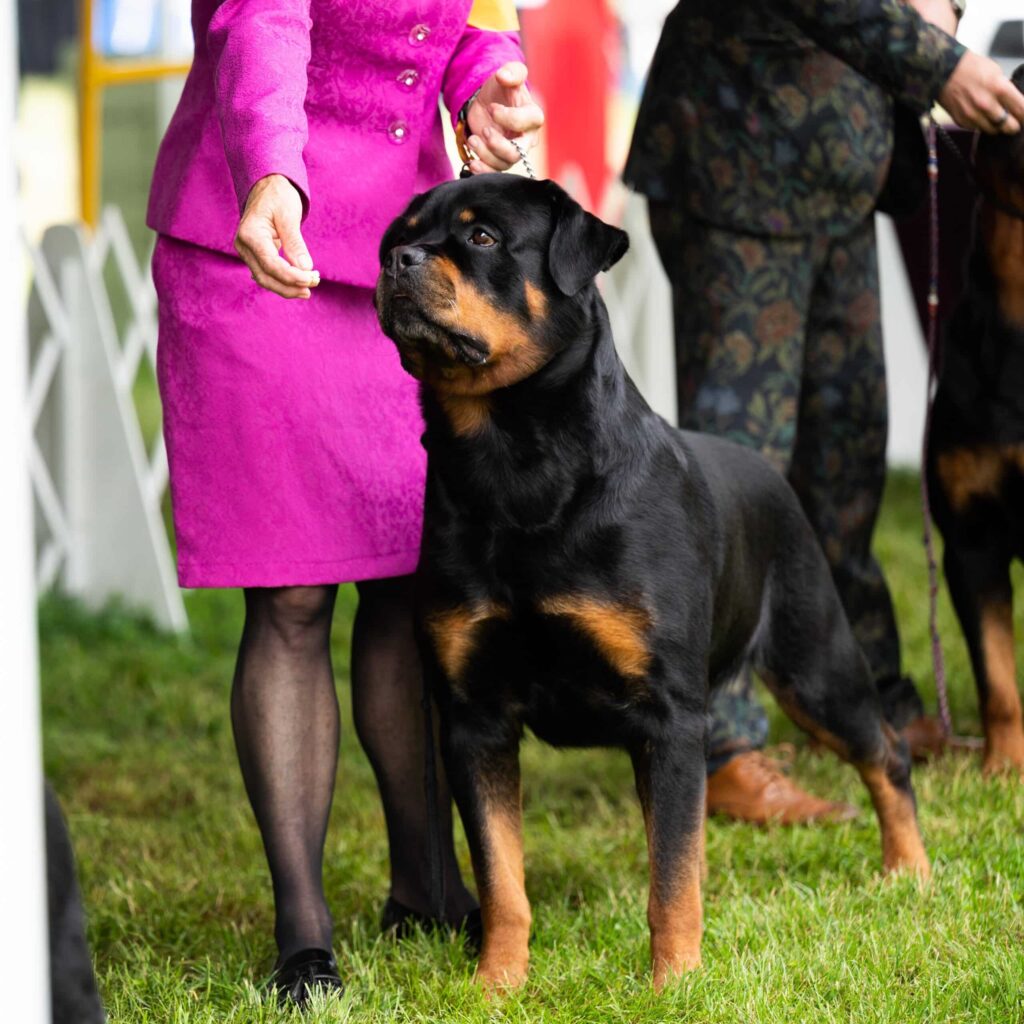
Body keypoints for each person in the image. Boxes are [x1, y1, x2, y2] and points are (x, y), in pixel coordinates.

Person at [146, 0, 542, 1005]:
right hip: (258, 235)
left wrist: (486, 80)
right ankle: (302, 930)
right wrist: (274, 169)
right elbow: (261, 21)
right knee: (289, 597)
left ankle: (428, 885)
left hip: (403, 262)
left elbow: (473, 19)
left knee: (409, 581)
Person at [625, 0, 1024, 823]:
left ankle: (861, 698)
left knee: (848, 458)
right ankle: (722, 747)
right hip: (740, 160)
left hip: (841, 174)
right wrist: (939, 62)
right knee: (742, 473)